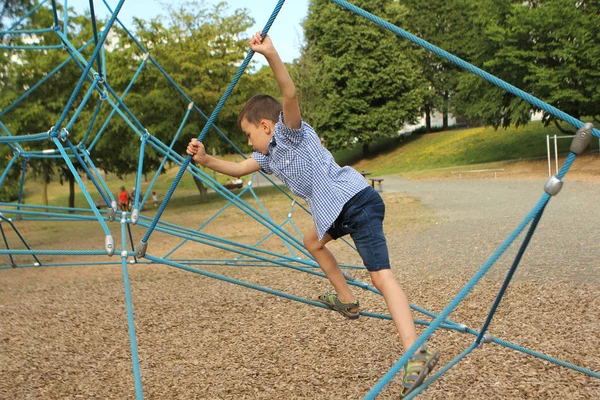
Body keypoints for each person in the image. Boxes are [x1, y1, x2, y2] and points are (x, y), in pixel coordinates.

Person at [186, 31, 439, 398]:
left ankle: (417, 351)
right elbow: (239, 169)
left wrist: (271, 54)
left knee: (383, 278)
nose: (247, 143)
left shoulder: (291, 135)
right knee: (311, 240)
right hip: (334, 211)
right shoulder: (266, 157)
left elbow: (288, 94)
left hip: (355, 200)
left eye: (248, 134)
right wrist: (206, 159)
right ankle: (347, 300)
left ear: (266, 127)